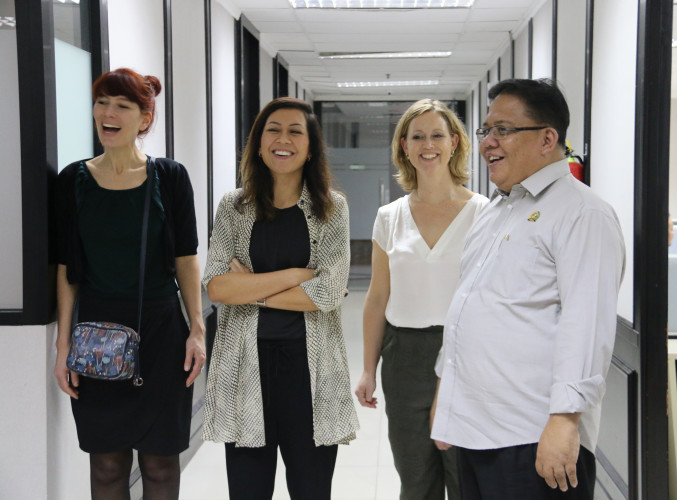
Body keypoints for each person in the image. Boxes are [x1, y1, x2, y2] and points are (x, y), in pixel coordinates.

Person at [430, 79, 626, 500]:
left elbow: (586, 325)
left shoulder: (582, 213)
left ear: (547, 139)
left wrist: (565, 420)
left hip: (534, 435)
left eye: (503, 129)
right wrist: (447, 398)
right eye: (486, 130)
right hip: (476, 429)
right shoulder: (497, 210)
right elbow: (468, 306)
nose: (488, 142)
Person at [53, 68, 206, 500]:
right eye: (102, 102)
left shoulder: (169, 177)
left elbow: (186, 258)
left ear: (144, 118)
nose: (108, 113)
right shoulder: (73, 180)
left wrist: (197, 328)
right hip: (95, 337)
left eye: (122, 105)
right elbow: (66, 267)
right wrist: (63, 345)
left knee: (159, 463)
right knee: (105, 464)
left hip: (161, 335)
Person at [201, 97, 359, 500]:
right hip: (244, 368)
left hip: (311, 372)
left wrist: (250, 289)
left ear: (311, 147)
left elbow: (327, 292)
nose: (283, 139)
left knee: (311, 490)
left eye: (294, 131)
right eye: (273, 130)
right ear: (258, 144)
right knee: (247, 491)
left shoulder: (331, 208)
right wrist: (293, 276)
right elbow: (217, 286)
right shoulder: (233, 206)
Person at [354, 99, 488, 499]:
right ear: (405, 147)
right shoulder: (389, 216)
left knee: (466, 478)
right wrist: (368, 370)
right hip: (405, 359)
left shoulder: (483, 213)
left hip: (465, 355)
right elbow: (377, 297)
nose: (428, 145)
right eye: (417, 137)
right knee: (415, 480)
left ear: (454, 143)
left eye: (437, 135)